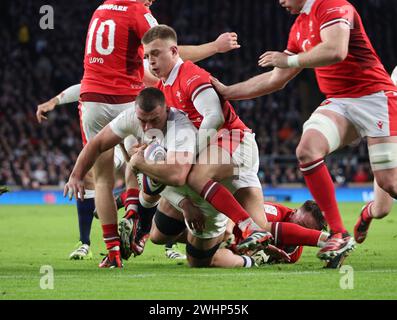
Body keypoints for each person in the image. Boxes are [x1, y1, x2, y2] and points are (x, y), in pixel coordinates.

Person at [37, 0, 241, 262]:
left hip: (91, 99)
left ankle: (113, 253)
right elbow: (168, 51)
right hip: (125, 98)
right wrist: (215, 47)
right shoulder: (137, 11)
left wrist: (75, 172)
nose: (152, 2)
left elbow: (96, 76)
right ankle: (136, 219)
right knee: (149, 159)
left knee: (102, 179)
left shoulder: (100, 10)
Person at [211, 0, 397, 262]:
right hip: (340, 101)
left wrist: (291, 59)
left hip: (376, 98)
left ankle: (368, 213)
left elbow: (336, 50)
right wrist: (229, 92)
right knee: (307, 150)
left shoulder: (333, 5)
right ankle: (339, 233)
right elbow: (276, 80)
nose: (280, 2)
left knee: (390, 185)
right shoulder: (299, 26)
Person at [139, 25, 330, 264]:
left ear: (175, 51)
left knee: (191, 174)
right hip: (222, 153)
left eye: (155, 54)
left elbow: (215, 117)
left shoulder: (190, 75)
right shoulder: (162, 88)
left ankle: (244, 229)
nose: (150, 61)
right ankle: (322, 240)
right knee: (182, 245)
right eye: (147, 56)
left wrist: (187, 154)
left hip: (234, 142)